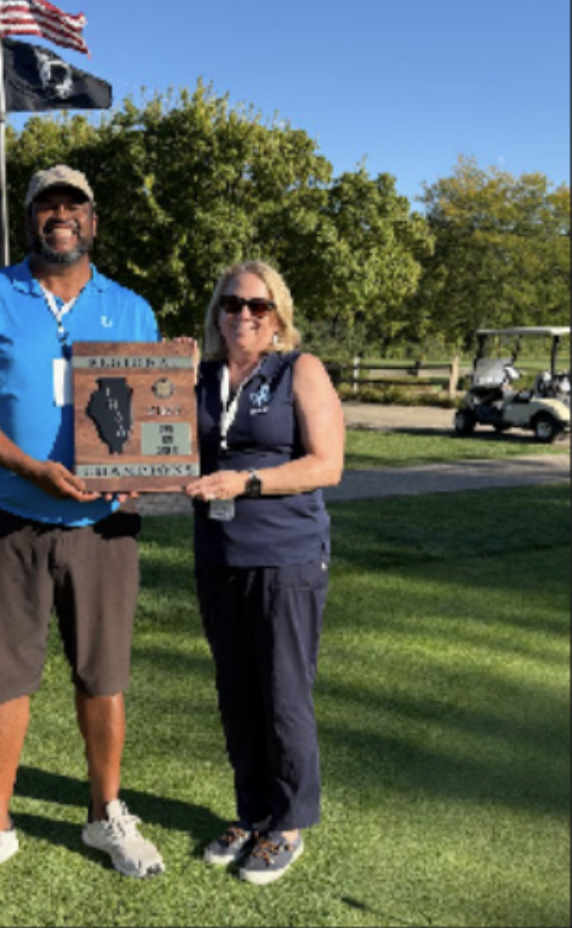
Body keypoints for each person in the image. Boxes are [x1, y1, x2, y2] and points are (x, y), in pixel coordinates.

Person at [0, 164, 165, 898]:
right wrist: (30, 466)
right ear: (30, 218)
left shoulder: (131, 309)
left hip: (103, 525)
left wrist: (148, 470)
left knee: (104, 675)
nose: (60, 216)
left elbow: (155, 415)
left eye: (75, 205)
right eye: (46, 205)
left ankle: (105, 814)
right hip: (7, 515)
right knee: (4, 680)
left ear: (93, 220)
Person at [184, 259, 345, 886]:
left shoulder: (298, 371)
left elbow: (327, 464)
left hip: (287, 555)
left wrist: (248, 480)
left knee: (283, 694)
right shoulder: (197, 377)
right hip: (218, 554)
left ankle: (289, 822)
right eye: (232, 304)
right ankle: (251, 812)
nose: (244, 315)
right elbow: (156, 443)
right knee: (237, 693)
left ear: (278, 317)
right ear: (217, 312)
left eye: (258, 306)